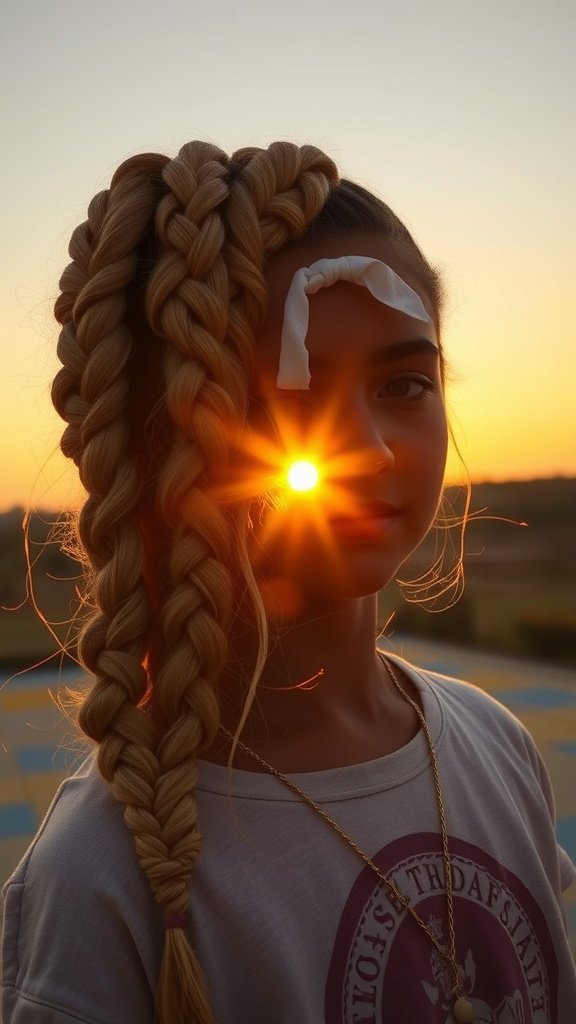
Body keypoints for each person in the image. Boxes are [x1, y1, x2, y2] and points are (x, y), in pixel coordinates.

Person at [1, 141, 575, 1024]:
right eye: (286, 403)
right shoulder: (104, 877)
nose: (369, 450)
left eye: (406, 383)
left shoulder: (498, 750)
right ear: (169, 441)